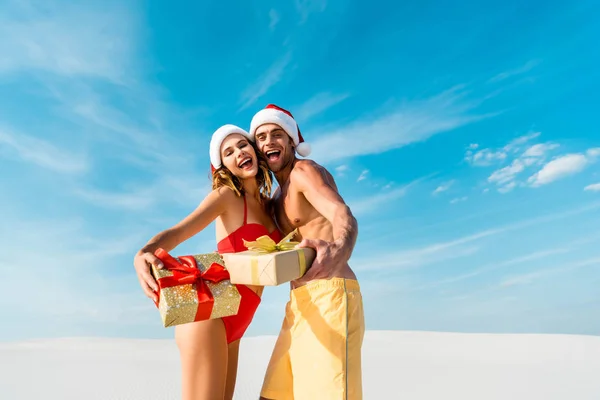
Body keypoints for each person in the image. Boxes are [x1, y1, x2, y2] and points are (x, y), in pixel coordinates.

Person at [132, 124, 282, 400]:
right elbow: (179, 231)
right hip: (210, 316)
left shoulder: (270, 206)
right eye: (229, 152)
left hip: (238, 322)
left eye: (242, 145)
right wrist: (144, 252)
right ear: (222, 166)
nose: (239, 152)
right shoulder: (226, 196)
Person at [249, 104, 365, 400]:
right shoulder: (276, 198)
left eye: (277, 134)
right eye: (261, 137)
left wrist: (341, 247)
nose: (269, 142)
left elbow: (341, 213)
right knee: (274, 395)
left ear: (291, 142)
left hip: (331, 294)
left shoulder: (304, 171)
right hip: (298, 302)